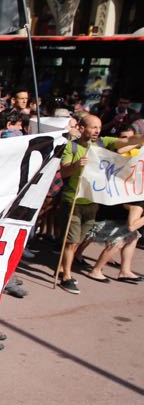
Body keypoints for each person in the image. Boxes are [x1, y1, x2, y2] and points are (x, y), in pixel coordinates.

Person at [56, 114, 142, 293]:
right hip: (73, 200)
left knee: (79, 240)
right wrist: (77, 165)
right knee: (71, 241)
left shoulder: (102, 143)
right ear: (81, 127)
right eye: (93, 127)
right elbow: (63, 173)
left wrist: (140, 138)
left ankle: (65, 267)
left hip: (92, 202)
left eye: (99, 127)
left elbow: (124, 142)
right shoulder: (71, 147)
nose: (96, 131)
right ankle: (66, 277)